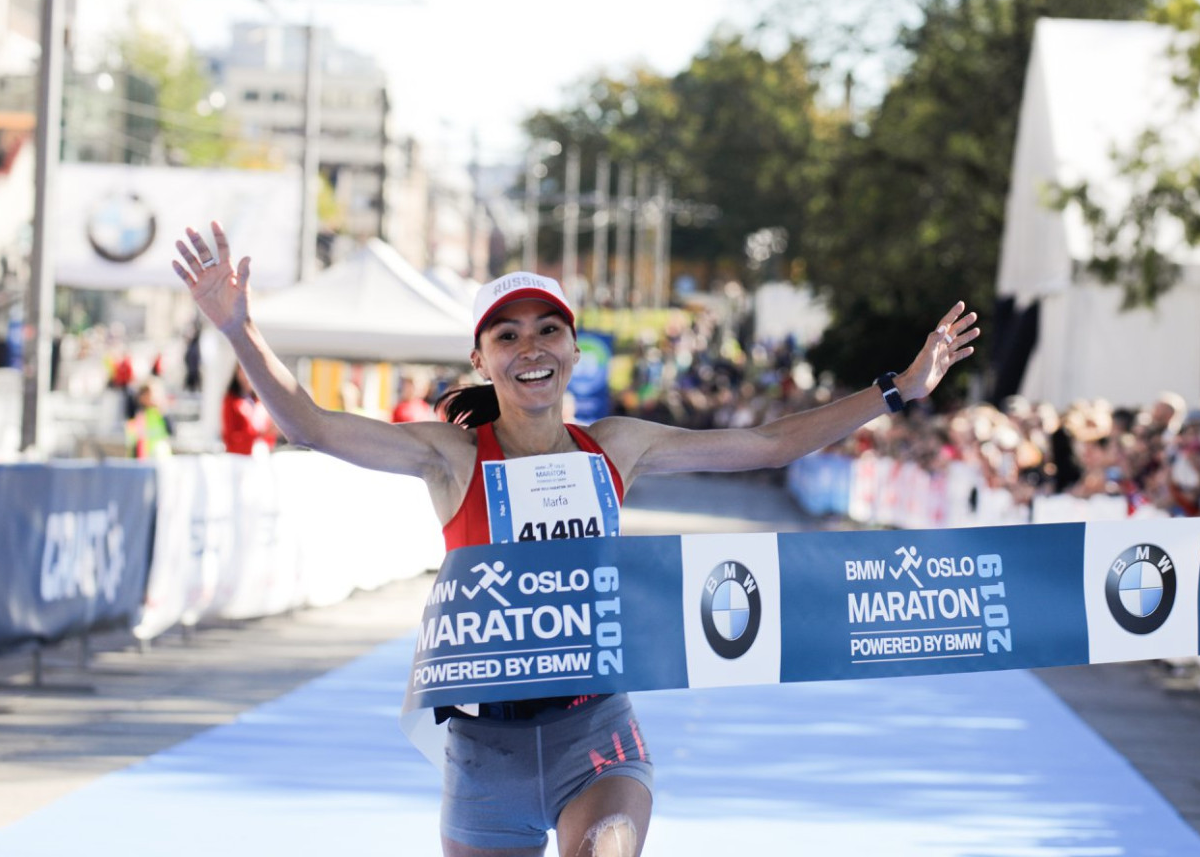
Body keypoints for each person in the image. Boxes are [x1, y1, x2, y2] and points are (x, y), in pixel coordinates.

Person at [171, 221, 979, 857]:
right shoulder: (451, 457)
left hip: (595, 729)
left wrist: (895, 391)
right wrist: (241, 330)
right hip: (481, 749)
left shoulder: (615, 447)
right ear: (482, 359)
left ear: (572, 348)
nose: (531, 349)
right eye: (508, 336)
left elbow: (769, 445)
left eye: (547, 331)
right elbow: (310, 426)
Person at [222, 367, 278, 455]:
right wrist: (258, 434)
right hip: (240, 457)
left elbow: (269, 436)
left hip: (261, 454)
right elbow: (230, 437)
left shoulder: (260, 402)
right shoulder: (231, 401)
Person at [125, 378, 174, 458]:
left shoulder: (160, 412)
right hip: (142, 459)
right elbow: (133, 440)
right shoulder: (137, 414)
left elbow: (171, 431)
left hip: (160, 458)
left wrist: (162, 411)